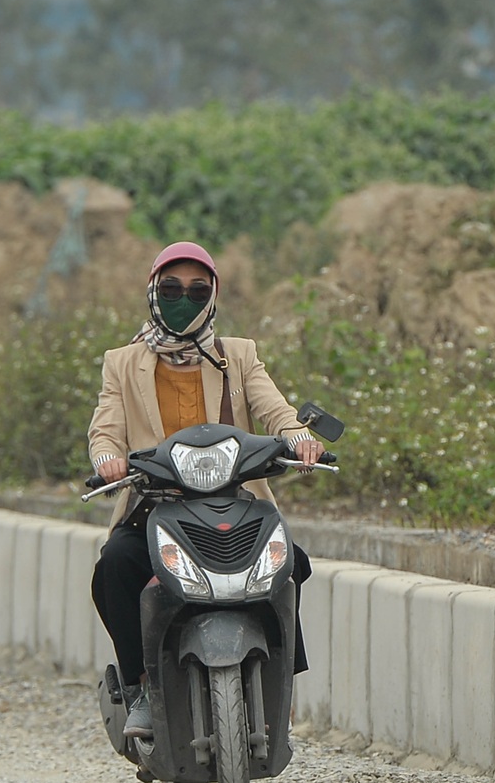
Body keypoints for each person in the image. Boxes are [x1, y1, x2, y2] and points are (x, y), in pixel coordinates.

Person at [86, 242, 321, 742]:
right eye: (170, 289)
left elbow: (275, 409)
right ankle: (143, 685)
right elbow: (105, 429)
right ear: (152, 291)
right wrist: (107, 459)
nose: (182, 300)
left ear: (213, 295)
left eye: (197, 290)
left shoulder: (238, 355)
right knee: (115, 567)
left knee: (291, 563)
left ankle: (282, 683)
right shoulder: (122, 363)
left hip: (234, 502)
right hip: (155, 506)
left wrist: (298, 435)